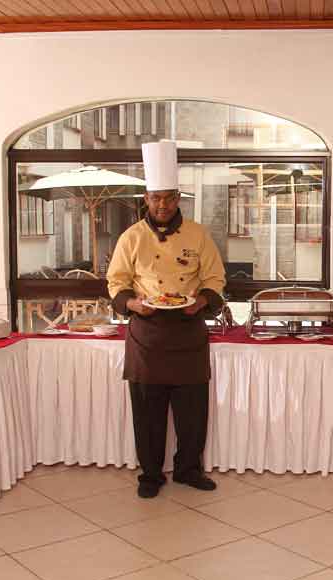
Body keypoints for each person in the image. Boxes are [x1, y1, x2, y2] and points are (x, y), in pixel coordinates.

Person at [106, 140, 227, 498]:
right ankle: (151, 474)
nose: (163, 204)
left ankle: (189, 469)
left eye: (170, 197)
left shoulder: (198, 234)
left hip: (188, 330)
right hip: (147, 333)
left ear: (178, 198)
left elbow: (215, 279)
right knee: (148, 413)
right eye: (157, 197)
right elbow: (116, 282)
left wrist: (201, 301)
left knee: (192, 411)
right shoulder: (131, 238)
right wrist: (132, 304)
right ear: (147, 198)